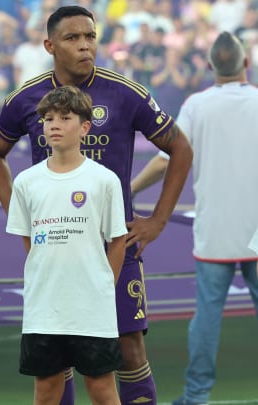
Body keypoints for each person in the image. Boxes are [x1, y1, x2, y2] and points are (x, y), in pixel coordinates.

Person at [0, 6, 193, 405]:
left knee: (129, 349)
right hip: (58, 249)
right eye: (72, 38)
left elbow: (179, 147)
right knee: (55, 362)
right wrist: (20, 213)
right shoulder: (26, 98)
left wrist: (158, 221)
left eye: (90, 37)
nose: (84, 45)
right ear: (49, 45)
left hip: (116, 244)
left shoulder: (126, 93)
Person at [130, 32, 258, 405]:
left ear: (209, 66)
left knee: (206, 316)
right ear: (246, 63)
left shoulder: (196, 106)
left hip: (215, 228)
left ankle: (197, 396)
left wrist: (132, 188)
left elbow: (165, 159)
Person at [9, 85, 126, 405]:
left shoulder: (103, 180)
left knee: (102, 388)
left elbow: (117, 240)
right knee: (46, 389)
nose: (54, 124)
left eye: (65, 117)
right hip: (44, 306)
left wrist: (104, 287)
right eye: (48, 119)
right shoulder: (26, 182)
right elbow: (29, 239)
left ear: (85, 127)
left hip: (91, 306)